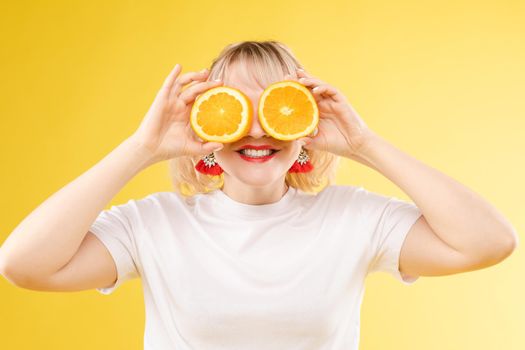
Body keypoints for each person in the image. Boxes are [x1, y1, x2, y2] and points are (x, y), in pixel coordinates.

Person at [0, 40, 518, 350]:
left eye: (276, 107)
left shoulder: (355, 218)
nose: (255, 129)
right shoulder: (153, 224)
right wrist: (141, 148)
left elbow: (488, 242)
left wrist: (364, 143)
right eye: (232, 110)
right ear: (205, 120)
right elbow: (23, 264)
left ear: (305, 119)